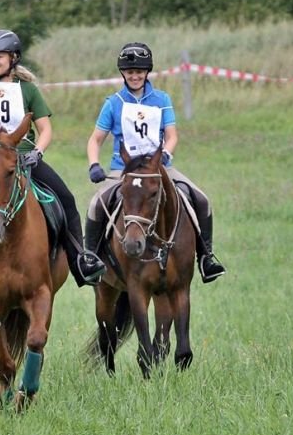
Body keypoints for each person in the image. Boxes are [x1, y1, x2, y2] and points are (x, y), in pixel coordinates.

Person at [0, 29, 106, 287]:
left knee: (66, 199)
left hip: (24, 158)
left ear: (13, 58)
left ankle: (80, 259)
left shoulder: (28, 90)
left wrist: (37, 152)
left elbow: (45, 129)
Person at [85, 41, 226, 283]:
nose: (135, 76)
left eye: (139, 72)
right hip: (124, 170)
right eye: (130, 72)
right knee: (96, 204)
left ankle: (206, 257)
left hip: (159, 168)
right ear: (123, 73)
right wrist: (94, 164)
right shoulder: (113, 103)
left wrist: (167, 153)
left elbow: (171, 135)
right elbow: (95, 139)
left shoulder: (162, 99)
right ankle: (91, 259)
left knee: (201, 199)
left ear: (147, 72)